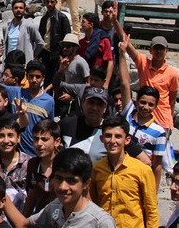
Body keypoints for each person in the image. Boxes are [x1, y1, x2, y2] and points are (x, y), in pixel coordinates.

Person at [118, 34, 167, 189]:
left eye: (150, 104)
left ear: (155, 106)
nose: (145, 107)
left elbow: (157, 165)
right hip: (118, 173)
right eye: (143, 102)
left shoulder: (159, 132)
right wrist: (122, 55)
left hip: (140, 181)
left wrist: (154, 191)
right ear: (136, 101)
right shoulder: (128, 113)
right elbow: (125, 84)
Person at [112, 24, 179, 131]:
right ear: (150, 50)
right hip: (144, 116)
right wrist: (115, 21)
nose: (158, 51)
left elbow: (172, 100)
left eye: (161, 48)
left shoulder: (173, 73)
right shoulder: (143, 63)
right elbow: (127, 44)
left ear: (166, 51)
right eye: (156, 48)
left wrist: (169, 121)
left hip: (163, 121)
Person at [60, 86, 149, 165]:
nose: (94, 108)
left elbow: (145, 161)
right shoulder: (67, 124)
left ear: (105, 108)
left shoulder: (111, 131)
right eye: (91, 102)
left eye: (100, 104)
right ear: (83, 103)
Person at [0, 60, 54, 158]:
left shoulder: (49, 101)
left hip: (35, 152)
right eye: (31, 76)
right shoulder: (16, 92)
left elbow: (49, 127)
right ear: (26, 76)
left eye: (38, 77)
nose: (34, 80)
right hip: (15, 150)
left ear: (43, 78)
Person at [0, 117, 30, 212]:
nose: (6, 141)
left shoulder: (28, 163)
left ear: (18, 138)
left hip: (19, 215)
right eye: (1, 136)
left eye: (10, 135)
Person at [38, 0, 71, 87]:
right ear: (44, 3)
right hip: (46, 53)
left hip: (57, 54)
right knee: (46, 79)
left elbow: (67, 38)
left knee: (57, 80)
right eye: (47, 2)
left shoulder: (62, 18)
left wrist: (63, 54)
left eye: (52, 2)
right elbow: (41, 36)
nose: (49, 4)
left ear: (56, 2)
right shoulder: (44, 19)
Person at [1, 0, 45, 64]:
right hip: (9, 62)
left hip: (23, 63)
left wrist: (32, 55)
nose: (18, 10)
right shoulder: (6, 27)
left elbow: (40, 43)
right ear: (12, 10)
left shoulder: (29, 25)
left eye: (21, 8)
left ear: (24, 10)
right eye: (16, 8)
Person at [79, 13, 114, 89]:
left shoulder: (104, 40)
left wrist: (106, 83)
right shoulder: (81, 43)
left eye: (83, 22)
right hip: (84, 80)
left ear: (91, 24)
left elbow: (110, 62)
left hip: (98, 80)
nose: (81, 24)